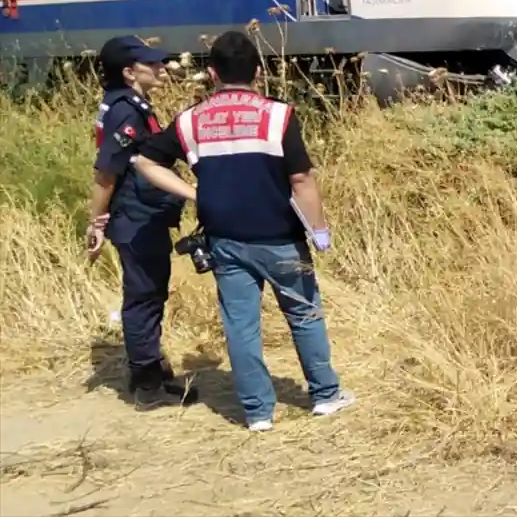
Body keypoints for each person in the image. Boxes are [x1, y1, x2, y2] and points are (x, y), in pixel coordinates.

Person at [132, 30, 353, 432]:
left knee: (241, 326)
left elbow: (145, 162)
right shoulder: (278, 115)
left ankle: (257, 413)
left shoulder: (191, 119)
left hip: (226, 240)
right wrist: (319, 230)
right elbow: (301, 179)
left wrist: (194, 193)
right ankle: (325, 395)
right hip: (281, 237)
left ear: (212, 73)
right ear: (258, 71)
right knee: (304, 315)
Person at [86, 36, 198, 407]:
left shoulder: (128, 103)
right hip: (134, 216)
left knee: (150, 290)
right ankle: (147, 383)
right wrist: (96, 223)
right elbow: (107, 173)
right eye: (153, 64)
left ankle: (152, 369)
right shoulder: (126, 111)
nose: (162, 67)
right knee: (143, 294)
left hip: (140, 214)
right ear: (130, 72)